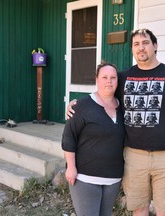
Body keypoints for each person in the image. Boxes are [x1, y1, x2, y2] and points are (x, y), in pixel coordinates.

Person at [66, 28, 165, 216]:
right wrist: (76, 103)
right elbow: (103, 93)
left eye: (145, 43)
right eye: (136, 44)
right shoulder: (123, 78)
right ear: (132, 49)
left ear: (155, 46)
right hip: (134, 156)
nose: (141, 48)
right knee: (139, 208)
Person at [62, 63, 125, 216]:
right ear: (97, 80)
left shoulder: (123, 107)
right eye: (104, 77)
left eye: (113, 78)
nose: (109, 81)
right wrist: (71, 167)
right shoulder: (81, 106)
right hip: (85, 177)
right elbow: (69, 138)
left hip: (113, 179)